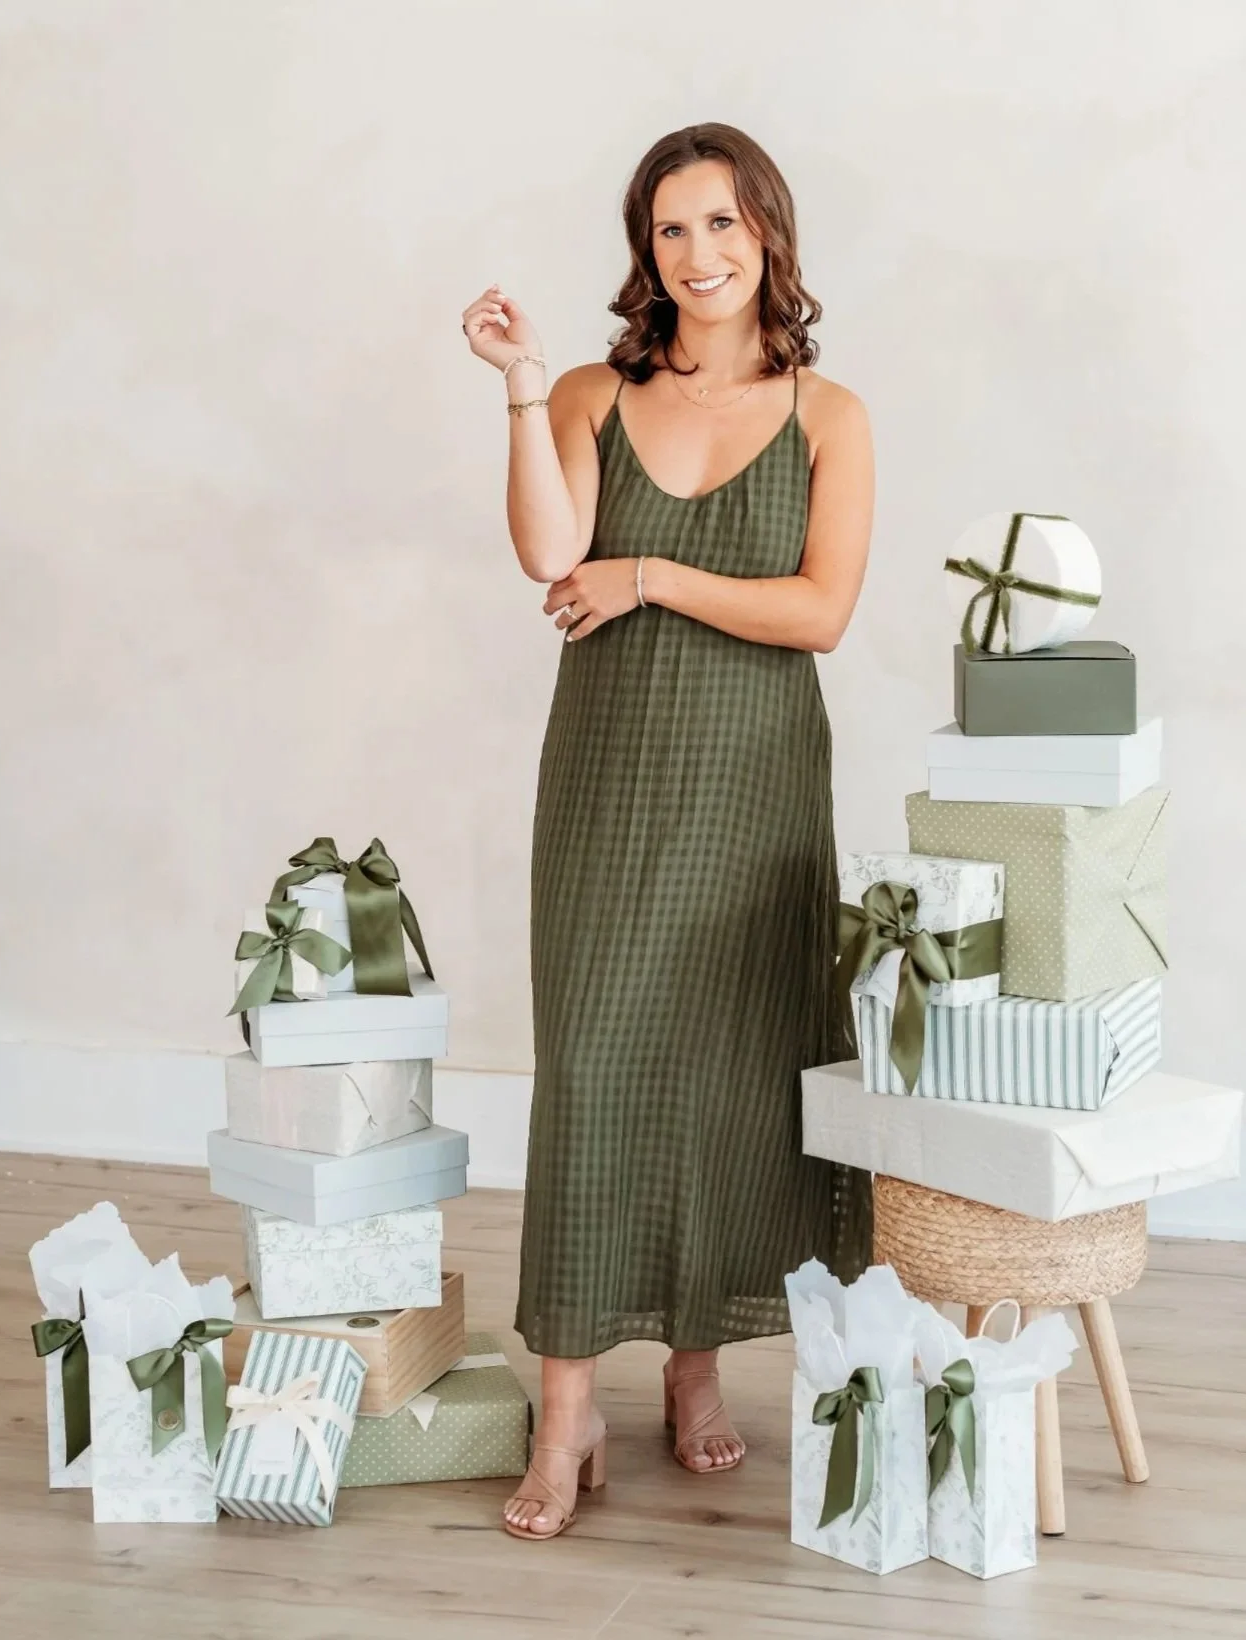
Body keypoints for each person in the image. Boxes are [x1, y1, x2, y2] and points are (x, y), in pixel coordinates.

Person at [461, 122, 875, 1542]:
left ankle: (696, 1372)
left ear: (769, 231)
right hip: (614, 769)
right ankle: (566, 1405)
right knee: (592, 1065)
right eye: (670, 231)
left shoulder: (829, 415)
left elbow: (821, 614)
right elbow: (543, 552)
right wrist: (521, 392)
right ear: (646, 252)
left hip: (757, 780)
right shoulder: (590, 389)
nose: (698, 256)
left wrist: (652, 572)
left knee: (724, 1068)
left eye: (722, 225)